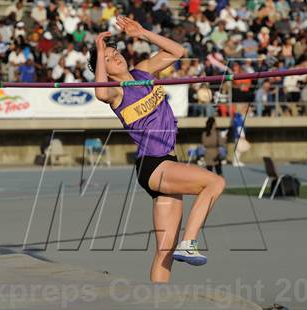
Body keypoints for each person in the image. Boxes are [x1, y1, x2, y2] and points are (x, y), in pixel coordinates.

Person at [88, 16, 225, 283]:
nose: (115, 57)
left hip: (166, 162)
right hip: (153, 164)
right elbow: (100, 94)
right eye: (108, 58)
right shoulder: (115, 91)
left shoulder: (144, 71)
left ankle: (157, 301)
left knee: (164, 251)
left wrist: (143, 33)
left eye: (116, 53)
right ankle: (191, 241)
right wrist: (99, 49)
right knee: (215, 182)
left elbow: (178, 52)